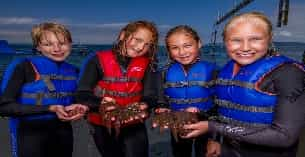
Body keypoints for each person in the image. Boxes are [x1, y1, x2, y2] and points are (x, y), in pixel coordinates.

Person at [183, 12, 305, 157]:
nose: (245, 47)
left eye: (255, 39)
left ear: (269, 38)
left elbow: (285, 137)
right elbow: (222, 108)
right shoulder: (226, 70)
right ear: (225, 42)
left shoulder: (289, 73)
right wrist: (213, 138)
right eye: (236, 40)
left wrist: (212, 127)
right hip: (229, 150)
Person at [0, 22, 88, 157]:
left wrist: (80, 108)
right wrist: (49, 108)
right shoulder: (24, 67)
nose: (57, 48)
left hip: (63, 133)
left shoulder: (74, 71)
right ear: (38, 47)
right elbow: (4, 107)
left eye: (62, 43)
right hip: (30, 133)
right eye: (48, 44)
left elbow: (77, 100)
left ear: (71, 44)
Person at [75, 20, 158, 157]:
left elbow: (151, 95)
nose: (140, 47)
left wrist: (145, 104)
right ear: (123, 35)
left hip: (134, 123)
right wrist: (100, 103)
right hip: (102, 124)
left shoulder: (148, 64)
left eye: (147, 44)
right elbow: (82, 94)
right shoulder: (96, 60)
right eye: (137, 40)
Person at [154, 25, 218, 157]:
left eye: (187, 45)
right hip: (178, 123)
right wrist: (162, 109)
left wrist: (215, 138)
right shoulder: (163, 73)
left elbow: (221, 105)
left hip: (206, 122)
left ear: (199, 44)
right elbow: (161, 101)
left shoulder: (214, 70)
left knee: (205, 153)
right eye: (175, 48)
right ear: (169, 51)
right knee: (180, 153)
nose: (182, 52)